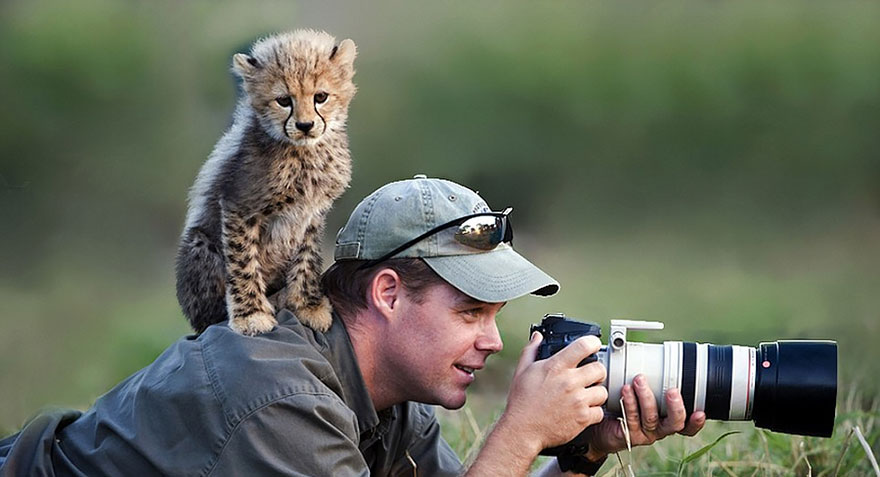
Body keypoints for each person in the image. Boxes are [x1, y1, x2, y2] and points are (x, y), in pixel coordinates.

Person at [0, 176, 704, 476]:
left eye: (497, 316)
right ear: (389, 293)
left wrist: (576, 452)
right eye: (470, 311)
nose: (493, 340)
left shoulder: (384, 395)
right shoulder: (281, 398)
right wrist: (517, 431)